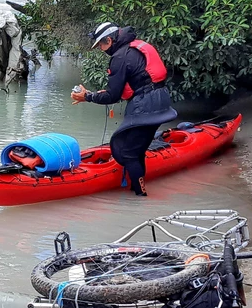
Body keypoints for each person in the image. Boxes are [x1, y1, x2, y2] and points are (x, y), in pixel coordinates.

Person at [70, 22, 177, 196]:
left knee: (128, 152)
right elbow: (135, 83)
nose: (101, 49)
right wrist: (96, 94)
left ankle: (140, 195)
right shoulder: (133, 48)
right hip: (161, 100)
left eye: (102, 45)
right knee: (137, 149)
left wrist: (87, 97)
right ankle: (137, 186)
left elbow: (112, 96)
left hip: (146, 106)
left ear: (110, 40)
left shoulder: (119, 57)